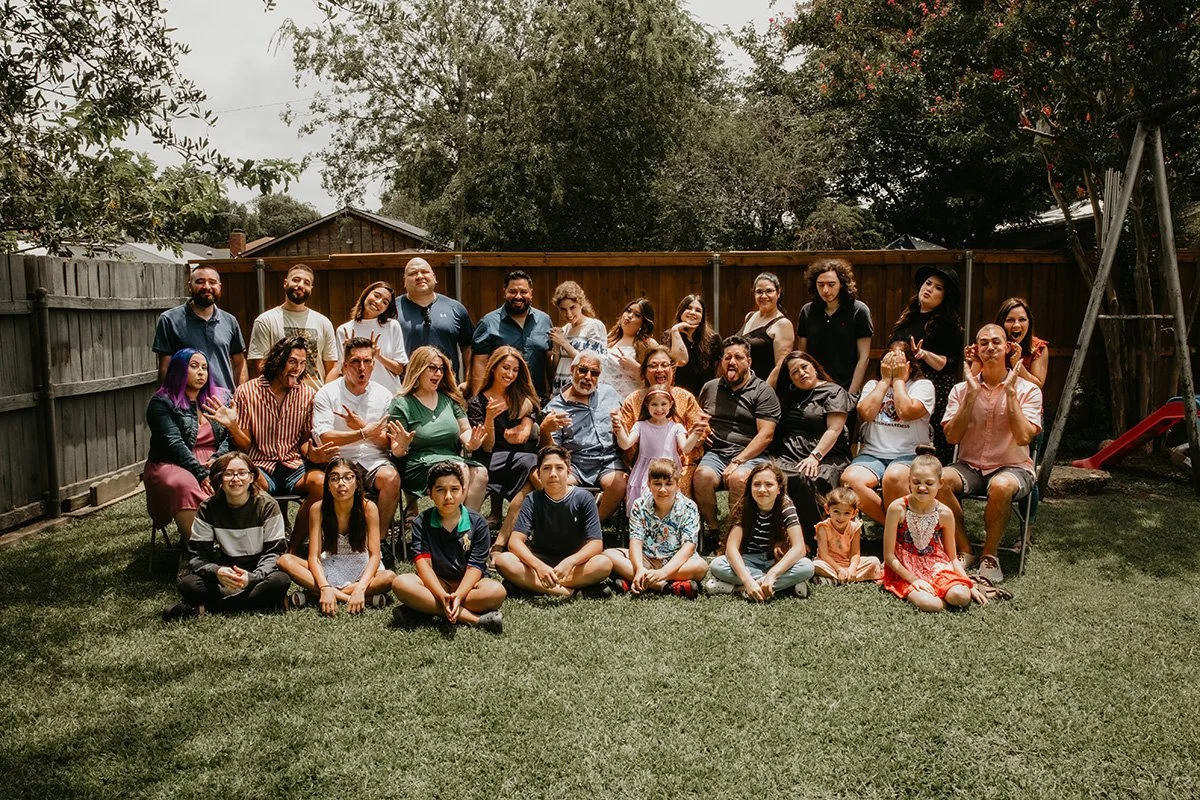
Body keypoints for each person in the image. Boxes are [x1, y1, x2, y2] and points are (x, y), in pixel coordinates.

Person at [939, 324, 1043, 585]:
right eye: (983, 343)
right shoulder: (960, 391)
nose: (990, 348)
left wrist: (1009, 391)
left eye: (996, 342)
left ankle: (990, 555)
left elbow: (1022, 437)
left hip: (1013, 467)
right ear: (975, 350)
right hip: (970, 467)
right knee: (937, 478)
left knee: (1000, 484)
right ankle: (966, 549)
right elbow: (951, 437)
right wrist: (971, 395)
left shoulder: (1028, 391)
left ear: (1008, 347)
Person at [229, 336, 334, 550]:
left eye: (303, 363)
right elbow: (245, 444)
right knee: (248, 481)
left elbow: (304, 442)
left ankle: (293, 548)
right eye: (293, 362)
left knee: (322, 484)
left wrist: (315, 453)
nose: (298, 369)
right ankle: (266, 546)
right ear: (278, 360)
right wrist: (232, 426)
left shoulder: (307, 394)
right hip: (261, 465)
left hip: (294, 464)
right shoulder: (247, 392)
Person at [162, 452, 290, 620]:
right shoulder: (208, 508)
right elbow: (199, 554)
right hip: (225, 573)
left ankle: (203, 609)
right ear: (219, 478)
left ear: (252, 478)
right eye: (228, 474)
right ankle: (259, 600)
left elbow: (274, 552)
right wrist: (217, 571)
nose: (236, 479)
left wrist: (252, 578)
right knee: (188, 584)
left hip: (257, 571)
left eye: (242, 473)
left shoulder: (267, 506)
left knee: (280, 581)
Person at [390, 462, 506, 632]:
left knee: (496, 591)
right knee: (401, 583)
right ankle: (474, 619)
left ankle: (423, 610)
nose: (448, 496)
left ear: (463, 490)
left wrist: (458, 595)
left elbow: (475, 567)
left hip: (469, 586)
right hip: (437, 583)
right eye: (440, 490)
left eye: (454, 489)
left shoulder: (478, 522)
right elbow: (424, 567)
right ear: (430, 494)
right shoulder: (421, 522)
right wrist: (441, 595)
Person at [276, 458, 396, 614]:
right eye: (334, 478)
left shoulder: (368, 508)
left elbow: (374, 556)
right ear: (328, 485)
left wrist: (360, 587)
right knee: (284, 560)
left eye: (348, 477)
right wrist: (325, 587)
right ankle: (343, 596)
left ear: (357, 483)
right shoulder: (318, 509)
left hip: (362, 565)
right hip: (330, 565)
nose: (341, 483)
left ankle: (314, 595)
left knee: (390, 578)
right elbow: (314, 558)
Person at [493, 446, 613, 597]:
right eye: (547, 468)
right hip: (540, 559)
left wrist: (570, 562)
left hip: (574, 565)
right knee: (504, 561)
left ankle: (530, 586)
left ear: (569, 472)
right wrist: (539, 567)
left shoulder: (584, 498)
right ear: (538, 474)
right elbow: (515, 542)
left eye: (559, 468)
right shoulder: (533, 499)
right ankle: (572, 592)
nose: (553, 474)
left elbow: (596, 544)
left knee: (604, 564)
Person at [144, 349, 234, 544]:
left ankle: (236, 547)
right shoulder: (161, 403)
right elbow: (172, 443)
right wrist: (201, 474)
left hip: (213, 460)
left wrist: (217, 459)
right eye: (194, 366)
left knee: (239, 477)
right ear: (178, 370)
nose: (201, 372)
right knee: (183, 484)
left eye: (204, 367)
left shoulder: (221, 398)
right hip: (172, 462)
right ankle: (197, 549)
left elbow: (231, 435)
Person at [840, 341, 936, 524]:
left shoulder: (922, 386)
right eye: (888, 360)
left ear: (909, 364)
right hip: (872, 454)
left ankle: (897, 534)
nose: (892, 365)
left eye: (898, 361)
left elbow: (907, 412)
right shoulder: (873, 385)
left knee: (894, 477)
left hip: (908, 454)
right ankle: (896, 530)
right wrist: (885, 381)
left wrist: (899, 380)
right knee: (849, 480)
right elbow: (865, 414)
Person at [312, 337, 402, 532]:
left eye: (367, 361)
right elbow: (324, 437)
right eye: (355, 361)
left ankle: (379, 539)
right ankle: (340, 538)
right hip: (339, 459)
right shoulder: (327, 393)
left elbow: (389, 442)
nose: (362, 367)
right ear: (344, 365)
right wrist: (363, 433)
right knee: (342, 479)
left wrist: (363, 429)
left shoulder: (384, 395)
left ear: (373, 364)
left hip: (374, 460)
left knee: (391, 478)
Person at [693, 336, 781, 532]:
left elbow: (766, 435)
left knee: (738, 478)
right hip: (716, 453)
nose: (732, 362)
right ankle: (715, 531)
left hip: (751, 455)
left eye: (738, 357)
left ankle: (736, 534)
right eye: (727, 357)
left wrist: (738, 460)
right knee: (701, 477)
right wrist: (700, 432)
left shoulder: (763, 391)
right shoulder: (710, 387)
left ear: (748, 361)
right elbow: (700, 419)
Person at [881, 448, 984, 612]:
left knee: (961, 597)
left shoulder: (945, 513)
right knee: (930, 604)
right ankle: (936, 596)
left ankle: (946, 590)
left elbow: (952, 557)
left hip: (935, 564)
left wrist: (968, 583)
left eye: (929, 483)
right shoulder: (897, 508)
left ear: (940, 483)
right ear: (909, 481)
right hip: (905, 567)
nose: (922, 488)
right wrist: (914, 580)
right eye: (916, 482)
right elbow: (889, 555)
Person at [387, 346, 489, 510]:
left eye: (441, 369)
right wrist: (403, 444)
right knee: (459, 469)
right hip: (418, 466)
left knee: (480, 473)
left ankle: (467, 528)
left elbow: (465, 430)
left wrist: (470, 442)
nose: (439, 373)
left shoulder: (449, 400)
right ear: (418, 369)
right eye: (433, 368)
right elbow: (396, 451)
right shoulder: (401, 404)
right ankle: (452, 528)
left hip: (451, 459)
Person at [769, 350, 852, 546]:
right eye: (794, 372)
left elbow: (835, 428)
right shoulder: (790, 395)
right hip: (788, 454)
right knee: (771, 477)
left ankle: (815, 540)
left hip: (825, 453)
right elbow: (766, 387)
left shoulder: (833, 391)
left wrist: (815, 457)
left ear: (814, 367)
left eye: (804, 367)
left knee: (808, 477)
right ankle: (780, 538)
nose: (801, 373)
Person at [539, 352, 629, 522]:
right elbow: (551, 451)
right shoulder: (555, 407)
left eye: (594, 373)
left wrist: (622, 423)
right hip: (577, 464)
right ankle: (569, 526)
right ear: (572, 370)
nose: (588, 377)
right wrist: (545, 430)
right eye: (583, 370)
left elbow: (629, 416)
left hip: (609, 460)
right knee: (557, 483)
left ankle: (594, 527)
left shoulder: (608, 393)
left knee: (618, 483)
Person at [705, 462, 814, 600]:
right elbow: (731, 549)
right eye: (756, 484)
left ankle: (737, 589)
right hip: (748, 561)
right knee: (717, 565)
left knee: (807, 567)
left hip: (775, 560)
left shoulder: (785, 506)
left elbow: (799, 548)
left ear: (779, 488)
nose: (762, 489)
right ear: (750, 487)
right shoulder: (745, 506)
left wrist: (773, 573)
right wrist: (747, 581)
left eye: (769, 484)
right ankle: (784, 585)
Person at [466, 346, 541, 547]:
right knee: (533, 463)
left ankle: (500, 543)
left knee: (529, 477)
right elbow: (487, 447)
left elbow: (524, 435)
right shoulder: (477, 403)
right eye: (505, 368)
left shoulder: (522, 398)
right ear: (493, 368)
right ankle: (557, 503)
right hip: (489, 459)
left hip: (518, 458)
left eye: (515, 370)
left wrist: (515, 435)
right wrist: (489, 418)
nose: (510, 374)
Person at [889, 265, 963, 464]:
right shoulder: (907, 318)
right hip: (903, 386)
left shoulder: (948, 324)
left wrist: (923, 355)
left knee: (931, 449)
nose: (929, 289)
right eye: (928, 283)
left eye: (938, 287)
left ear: (945, 296)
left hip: (934, 390)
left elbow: (952, 364)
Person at [602, 459, 709, 597]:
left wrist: (663, 572)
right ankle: (665, 586)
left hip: (676, 561)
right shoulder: (639, 505)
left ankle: (638, 580)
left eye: (668, 484)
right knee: (608, 555)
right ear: (649, 484)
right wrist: (640, 568)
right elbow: (636, 540)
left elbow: (688, 547)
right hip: (646, 557)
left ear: (677, 485)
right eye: (657, 484)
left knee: (701, 567)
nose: (662, 489)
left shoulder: (689, 507)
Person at [616, 346, 708, 497]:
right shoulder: (633, 399)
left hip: (680, 465)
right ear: (644, 371)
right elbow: (625, 442)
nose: (659, 369)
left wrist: (696, 432)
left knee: (676, 487)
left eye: (665, 365)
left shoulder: (685, 396)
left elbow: (699, 438)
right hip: (642, 464)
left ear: (672, 370)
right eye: (653, 365)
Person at [153, 265, 248, 392]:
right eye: (200, 282)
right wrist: (166, 401)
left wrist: (241, 398)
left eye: (212, 282)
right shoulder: (169, 320)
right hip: (186, 405)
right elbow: (165, 366)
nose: (207, 287)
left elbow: (239, 364)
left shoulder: (230, 321)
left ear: (220, 286)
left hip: (223, 404)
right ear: (189, 286)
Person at [247, 263, 338, 390]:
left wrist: (325, 396)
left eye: (306, 282)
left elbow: (332, 367)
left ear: (311, 288)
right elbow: (260, 366)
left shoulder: (323, 322)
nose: (300, 285)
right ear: (285, 283)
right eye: (296, 280)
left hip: (315, 399)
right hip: (279, 399)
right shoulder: (266, 320)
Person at [612, 388, 702, 511]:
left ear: (670, 404)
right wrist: (619, 428)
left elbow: (686, 448)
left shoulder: (676, 427)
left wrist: (696, 433)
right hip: (646, 472)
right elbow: (625, 444)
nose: (659, 409)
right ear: (647, 406)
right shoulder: (640, 426)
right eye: (654, 404)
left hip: (668, 470)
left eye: (663, 404)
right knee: (645, 504)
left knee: (668, 502)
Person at [470, 269, 553, 398]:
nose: (518, 296)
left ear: (531, 293)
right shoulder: (488, 323)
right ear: (504, 292)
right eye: (512, 291)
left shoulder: (544, 321)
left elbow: (549, 361)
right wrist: (479, 402)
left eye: (523, 292)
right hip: (501, 400)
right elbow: (479, 364)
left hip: (537, 399)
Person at [795, 258, 873, 394]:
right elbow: (803, 355)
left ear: (842, 284)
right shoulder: (807, 311)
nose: (825, 290)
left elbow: (864, 357)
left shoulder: (859, 311)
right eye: (820, 285)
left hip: (845, 387)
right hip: (814, 388)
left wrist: (851, 393)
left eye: (831, 284)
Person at [396, 256, 474, 381]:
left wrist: (468, 381)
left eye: (424, 272)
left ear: (434, 277)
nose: (420, 276)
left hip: (447, 389)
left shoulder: (455, 308)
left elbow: (468, 346)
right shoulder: (392, 310)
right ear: (404, 281)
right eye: (413, 273)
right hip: (406, 390)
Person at [334, 280, 408, 393]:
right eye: (376, 295)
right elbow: (343, 372)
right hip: (357, 396)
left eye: (385, 302)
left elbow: (399, 370)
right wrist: (349, 354)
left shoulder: (392, 326)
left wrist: (378, 356)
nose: (378, 302)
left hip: (390, 395)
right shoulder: (344, 330)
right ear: (366, 294)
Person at [811, 486, 882, 584]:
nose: (841, 517)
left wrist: (852, 568)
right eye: (836, 511)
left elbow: (855, 553)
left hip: (847, 562)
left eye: (846, 513)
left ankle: (833, 580)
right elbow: (824, 555)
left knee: (874, 561)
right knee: (815, 565)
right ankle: (848, 577)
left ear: (854, 513)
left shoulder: (855, 527)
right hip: (829, 563)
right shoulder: (823, 527)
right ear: (827, 509)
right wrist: (839, 569)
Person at [548, 281, 607, 396]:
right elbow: (557, 367)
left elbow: (593, 365)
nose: (568, 314)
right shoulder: (565, 329)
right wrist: (556, 345)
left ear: (581, 303)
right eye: (563, 309)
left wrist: (565, 344)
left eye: (572, 307)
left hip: (582, 391)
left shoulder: (594, 326)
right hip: (561, 390)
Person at [736, 272, 795, 383]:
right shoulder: (749, 316)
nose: (764, 296)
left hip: (762, 389)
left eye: (769, 291)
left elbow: (780, 366)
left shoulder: (783, 324)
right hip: (742, 386)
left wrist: (764, 392)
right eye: (759, 292)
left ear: (778, 293)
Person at [665, 294, 723, 398]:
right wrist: (675, 331)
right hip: (678, 396)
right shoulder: (669, 336)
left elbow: (718, 372)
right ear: (681, 311)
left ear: (702, 316)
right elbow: (680, 361)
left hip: (705, 396)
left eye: (698, 310)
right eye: (688, 308)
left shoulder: (713, 339)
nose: (692, 312)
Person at [603, 297, 659, 399]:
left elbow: (657, 378)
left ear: (643, 323)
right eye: (628, 311)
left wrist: (636, 367)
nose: (629, 316)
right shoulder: (609, 338)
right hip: (605, 398)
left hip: (631, 400)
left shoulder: (649, 344)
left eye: (637, 315)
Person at [996, 297, 1049, 390]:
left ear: (1029, 322)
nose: (1016, 325)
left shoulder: (1038, 347)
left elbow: (1037, 386)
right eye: (1010, 320)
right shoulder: (991, 346)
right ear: (1001, 323)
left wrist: (1016, 363)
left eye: (1022, 319)